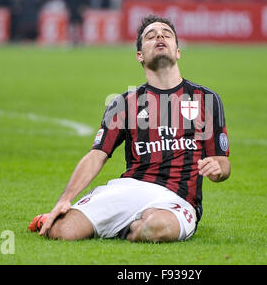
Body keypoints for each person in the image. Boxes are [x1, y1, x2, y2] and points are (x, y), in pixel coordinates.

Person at [28, 14, 231, 242]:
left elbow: (222, 163)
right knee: (61, 232)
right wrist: (65, 199)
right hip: (129, 189)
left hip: (178, 197)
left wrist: (218, 169)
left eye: (166, 34)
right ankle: (126, 222)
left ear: (178, 51)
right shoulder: (123, 104)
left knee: (157, 228)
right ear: (140, 56)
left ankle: (128, 224)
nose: (160, 37)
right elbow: (97, 154)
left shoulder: (206, 99)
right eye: (151, 36)